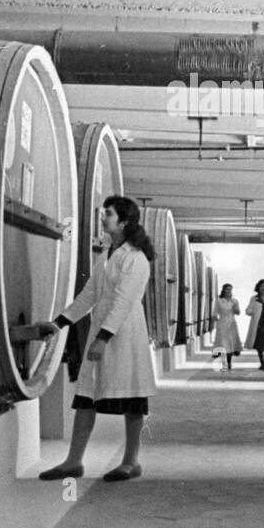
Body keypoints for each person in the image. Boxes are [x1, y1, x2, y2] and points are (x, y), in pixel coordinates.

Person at [36, 196, 156, 483]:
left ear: (124, 221)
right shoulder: (106, 255)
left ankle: (131, 462)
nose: (103, 218)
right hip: (103, 330)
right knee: (86, 397)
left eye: (109, 214)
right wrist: (59, 323)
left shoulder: (136, 258)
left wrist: (103, 338)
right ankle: (73, 462)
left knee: (132, 400)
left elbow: (124, 301)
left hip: (125, 336)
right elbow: (89, 295)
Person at [211, 283, 243, 371]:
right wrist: (218, 322)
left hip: (232, 324)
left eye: (230, 289)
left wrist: (235, 307)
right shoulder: (219, 301)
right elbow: (214, 314)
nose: (229, 291)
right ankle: (224, 364)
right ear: (224, 290)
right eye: (227, 289)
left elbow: (238, 313)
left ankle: (229, 363)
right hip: (222, 324)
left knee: (230, 345)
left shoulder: (234, 301)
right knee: (223, 345)